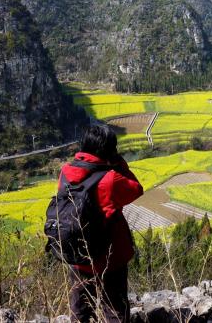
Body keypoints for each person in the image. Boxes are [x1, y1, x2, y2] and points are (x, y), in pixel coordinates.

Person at [59, 124, 143, 322]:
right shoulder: (110, 179)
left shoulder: (65, 172)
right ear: (109, 150)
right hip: (109, 259)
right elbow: (136, 189)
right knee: (114, 312)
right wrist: (119, 162)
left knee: (80, 313)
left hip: (77, 256)